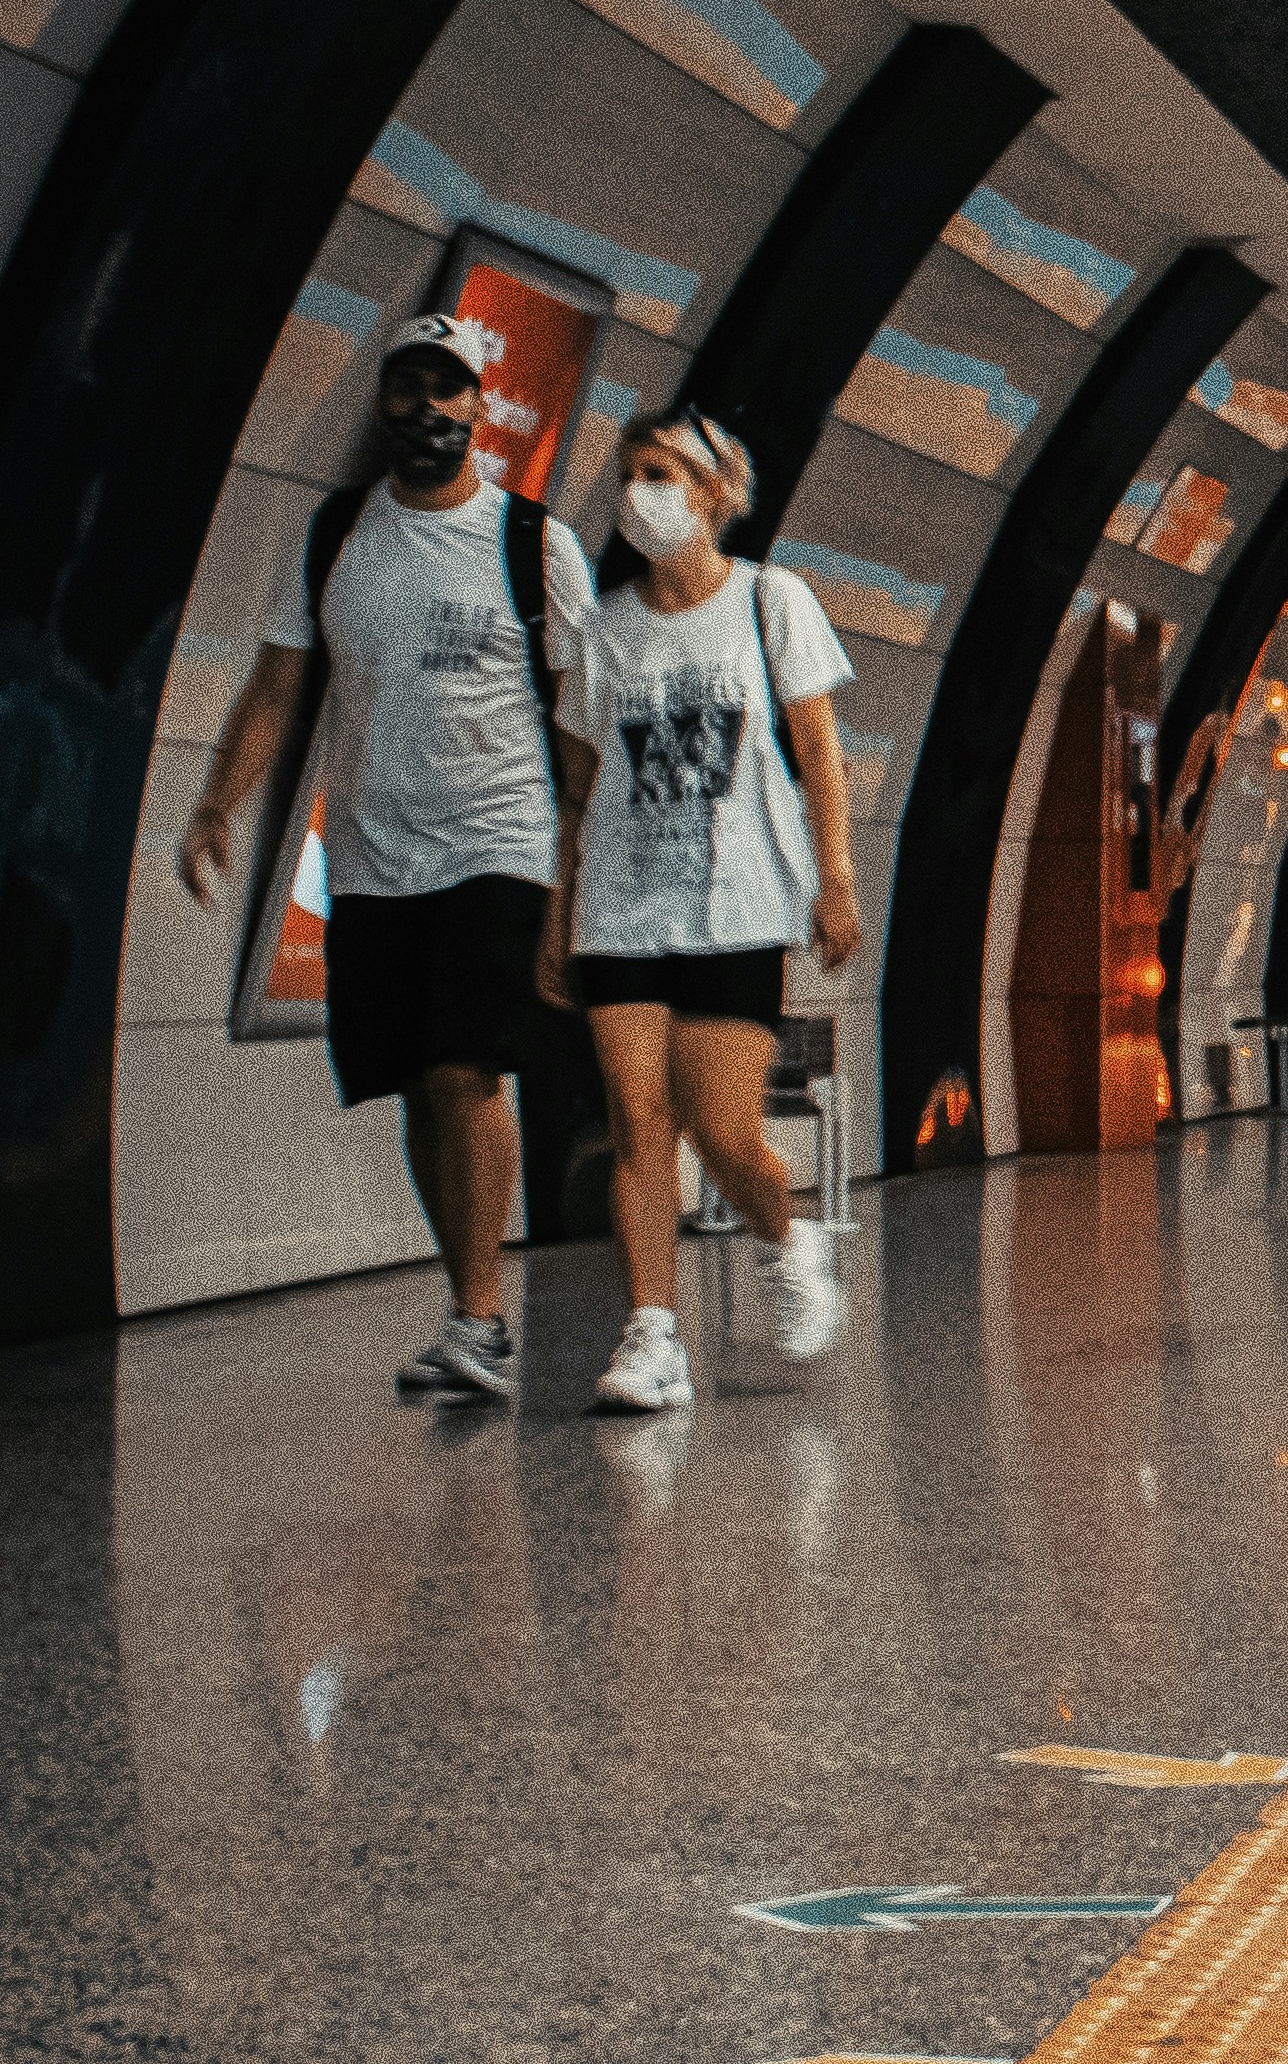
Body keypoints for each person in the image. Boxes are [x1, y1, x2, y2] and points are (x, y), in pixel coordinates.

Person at [179, 315, 597, 1400]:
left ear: (478, 408)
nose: (428, 408)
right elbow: (277, 684)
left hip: (496, 840)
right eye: (408, 387)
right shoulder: (333, 535)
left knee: (468, 1067)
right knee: (412, 1082)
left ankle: (484, 1320)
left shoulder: (532, 544)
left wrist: (584, 854)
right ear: (385, 404)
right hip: (370, 853)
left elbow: (581, 718)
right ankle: (469, 1311)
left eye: (448, 389)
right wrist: (217, 802)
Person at [540, 409, 862, 1413]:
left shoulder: (772, 601)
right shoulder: (603, 630)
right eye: (634, 472)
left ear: (720, 492)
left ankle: (785, 1238)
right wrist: (560, 910)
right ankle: (653, 1335)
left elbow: (817, 749)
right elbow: (582, 786)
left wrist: (836, 876)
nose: (645, 490)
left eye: (668, 471)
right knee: (639, 1123)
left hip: (736, 902)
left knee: (725, 1133)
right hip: (623, 904)